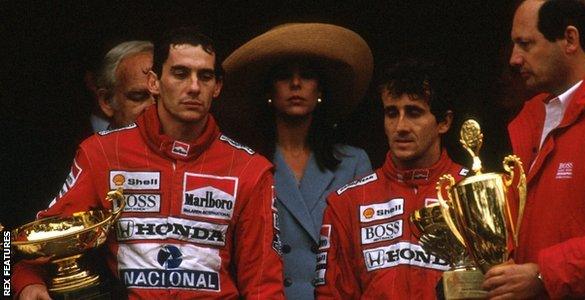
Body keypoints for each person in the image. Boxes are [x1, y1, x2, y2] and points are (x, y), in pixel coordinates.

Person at [13, 27, 285, 299]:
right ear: (154, 82)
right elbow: (46, 233)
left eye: (205, 76)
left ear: (217, 87)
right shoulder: (102, 153)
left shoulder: (250, 169)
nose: (193, 87)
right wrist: (26, 281)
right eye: (180, 73)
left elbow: (263, 283)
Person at [215, 23, 373, 300]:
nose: (296, 84)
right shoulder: (246, 163)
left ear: (320, 90)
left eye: (307, 76)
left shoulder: (354, 162)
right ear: (269, 91)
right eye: (284, 76)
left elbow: (366, 252)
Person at [482, 0, 585, 298]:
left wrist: (543, 274)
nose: (514, 59)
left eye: (525, 44)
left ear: (570, 40)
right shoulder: (533, 119)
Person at [314, 58, 468, 299]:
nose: (401, 126)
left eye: (414, 113)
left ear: (444, 122)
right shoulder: (347, 202)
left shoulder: (474, 193)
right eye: (392, 113)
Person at [95, 40, 156, 129]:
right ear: (107, 102)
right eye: (138, 96)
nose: (154, 108)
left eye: (163, 97)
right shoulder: (93, 143)